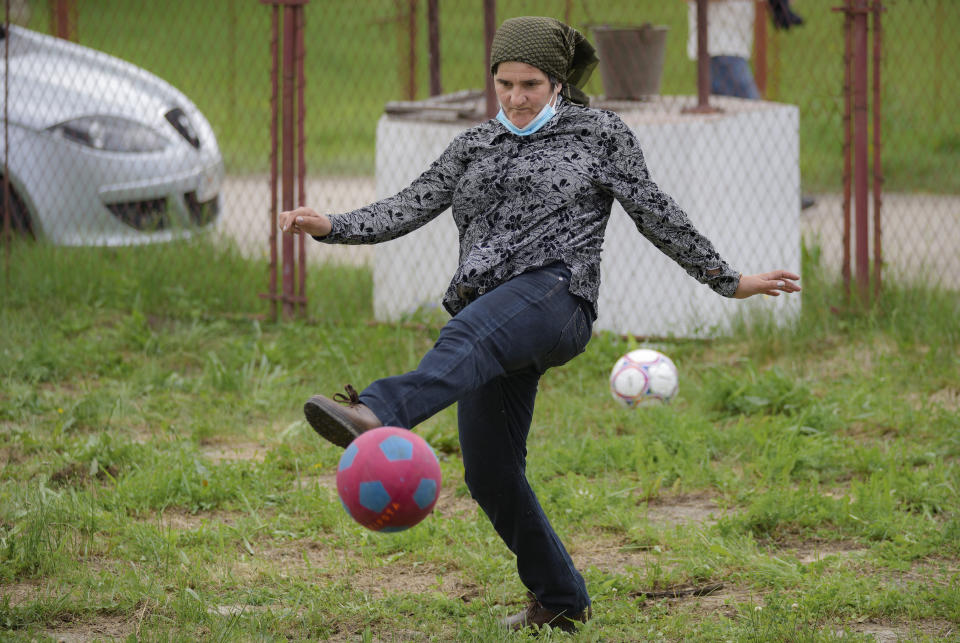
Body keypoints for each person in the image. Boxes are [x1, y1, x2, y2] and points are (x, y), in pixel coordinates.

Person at [279, 16, 800, 633]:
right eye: (505, 84)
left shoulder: (600, 133)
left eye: (530, 84)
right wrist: (332, 225)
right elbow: (409, 204)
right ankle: (559, 599)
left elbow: (655, 211)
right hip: (490, 316)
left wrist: (726, 278)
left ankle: (379, 410)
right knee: (491, 474)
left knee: (464, 335)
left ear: (557, 81)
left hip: (558, 297)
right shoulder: (473, 144)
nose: (516, 98)